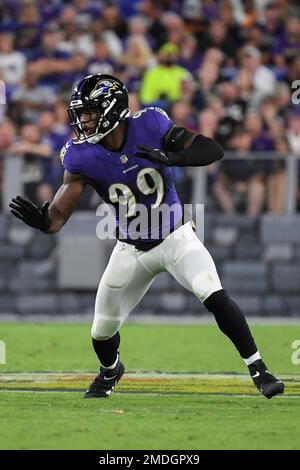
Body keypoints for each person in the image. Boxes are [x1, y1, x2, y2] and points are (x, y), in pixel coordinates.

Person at [9, 73, 284, 399]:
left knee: (212, 292)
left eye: (90, 112)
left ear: (112, 109)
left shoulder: (151, 125)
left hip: (175, 237)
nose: (83, 120)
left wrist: (175, 157)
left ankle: (259, 369)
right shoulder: (81, 156)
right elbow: (56, 218)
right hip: (131, 248)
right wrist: (43, 222)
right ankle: (111, 371)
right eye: (80, 113)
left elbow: (212, 150)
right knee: (101, 330)